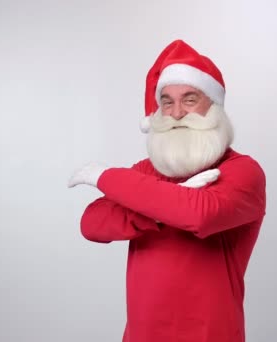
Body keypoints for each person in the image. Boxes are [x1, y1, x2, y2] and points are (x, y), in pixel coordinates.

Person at [68, 39, 266, 342]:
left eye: (189, 99)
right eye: (167, 101)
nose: (175, 113)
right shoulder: (146, 171)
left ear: (213, 106)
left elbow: (199, 215)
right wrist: (158, 211)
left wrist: (106, 176)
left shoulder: (241, 171)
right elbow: (92, 224)